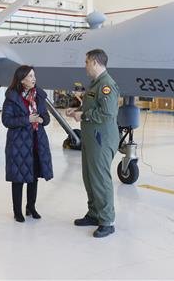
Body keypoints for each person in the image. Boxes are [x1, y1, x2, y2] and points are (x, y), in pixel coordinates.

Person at [65, 49, 120, 238]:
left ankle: (107, 220)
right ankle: (94, 213)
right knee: (89, 177)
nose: (85, 65)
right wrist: (77, 109)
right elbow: (92, 106)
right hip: (91, 137)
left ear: (95, 62)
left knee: (100, 179)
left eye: (87, 62)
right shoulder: (95, 84)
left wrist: (84, 115)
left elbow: (107, 114)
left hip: (101, 139)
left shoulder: (107, 85)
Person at [2, 65, 53, 222]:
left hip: (37, 142)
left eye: (34, 75)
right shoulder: (12, 97)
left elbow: (47, 117)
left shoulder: (39, 96)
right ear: (22, 79)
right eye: (30, 76)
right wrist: (27, 120)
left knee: (34, 178)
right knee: (18, 179)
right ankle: (18, 212)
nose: (34, 78)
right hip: (18, 144)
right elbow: (6, 120)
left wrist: (42, 119)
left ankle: (31, 207)